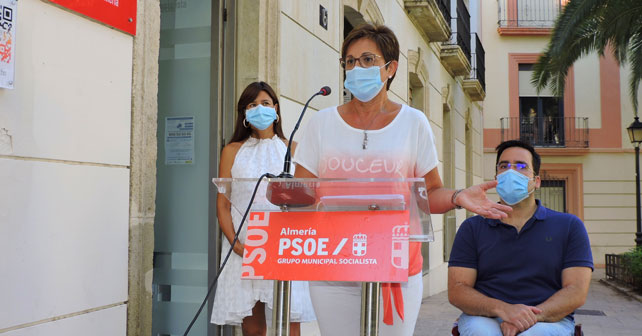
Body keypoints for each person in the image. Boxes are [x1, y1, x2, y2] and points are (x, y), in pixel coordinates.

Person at [293, 23, 512, 336]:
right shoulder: (321, 123)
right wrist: (283, 196)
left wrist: (456, 196)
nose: (357, 68)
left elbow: (430, 192)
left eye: (367, 60)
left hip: (394, 271)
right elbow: (303, 194)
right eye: (350, 61)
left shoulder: (414, 123)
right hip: (333, 269)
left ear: (390, 68)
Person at [448, 140, 593, 336]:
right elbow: (458, 290)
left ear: (537, 181)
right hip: (485, 316)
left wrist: (527, 318)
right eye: (504, 166)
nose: (511, 171)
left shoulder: (569, 226)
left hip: (548, 318)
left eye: (522, 166)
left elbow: (576, 291)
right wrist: (504, 310)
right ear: (496, 178)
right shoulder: (472, 228)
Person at [211, 81, 315, 336]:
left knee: (289, 318)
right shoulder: (232, 151)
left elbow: (308, 199)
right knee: (252, 321)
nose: (260, 109)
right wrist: (235, 243)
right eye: (252, 104)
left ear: (276, 109)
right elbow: (223, 204)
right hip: (246, 243)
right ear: (244, 113)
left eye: (266, 104)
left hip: (285, 243)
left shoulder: (293, 150)